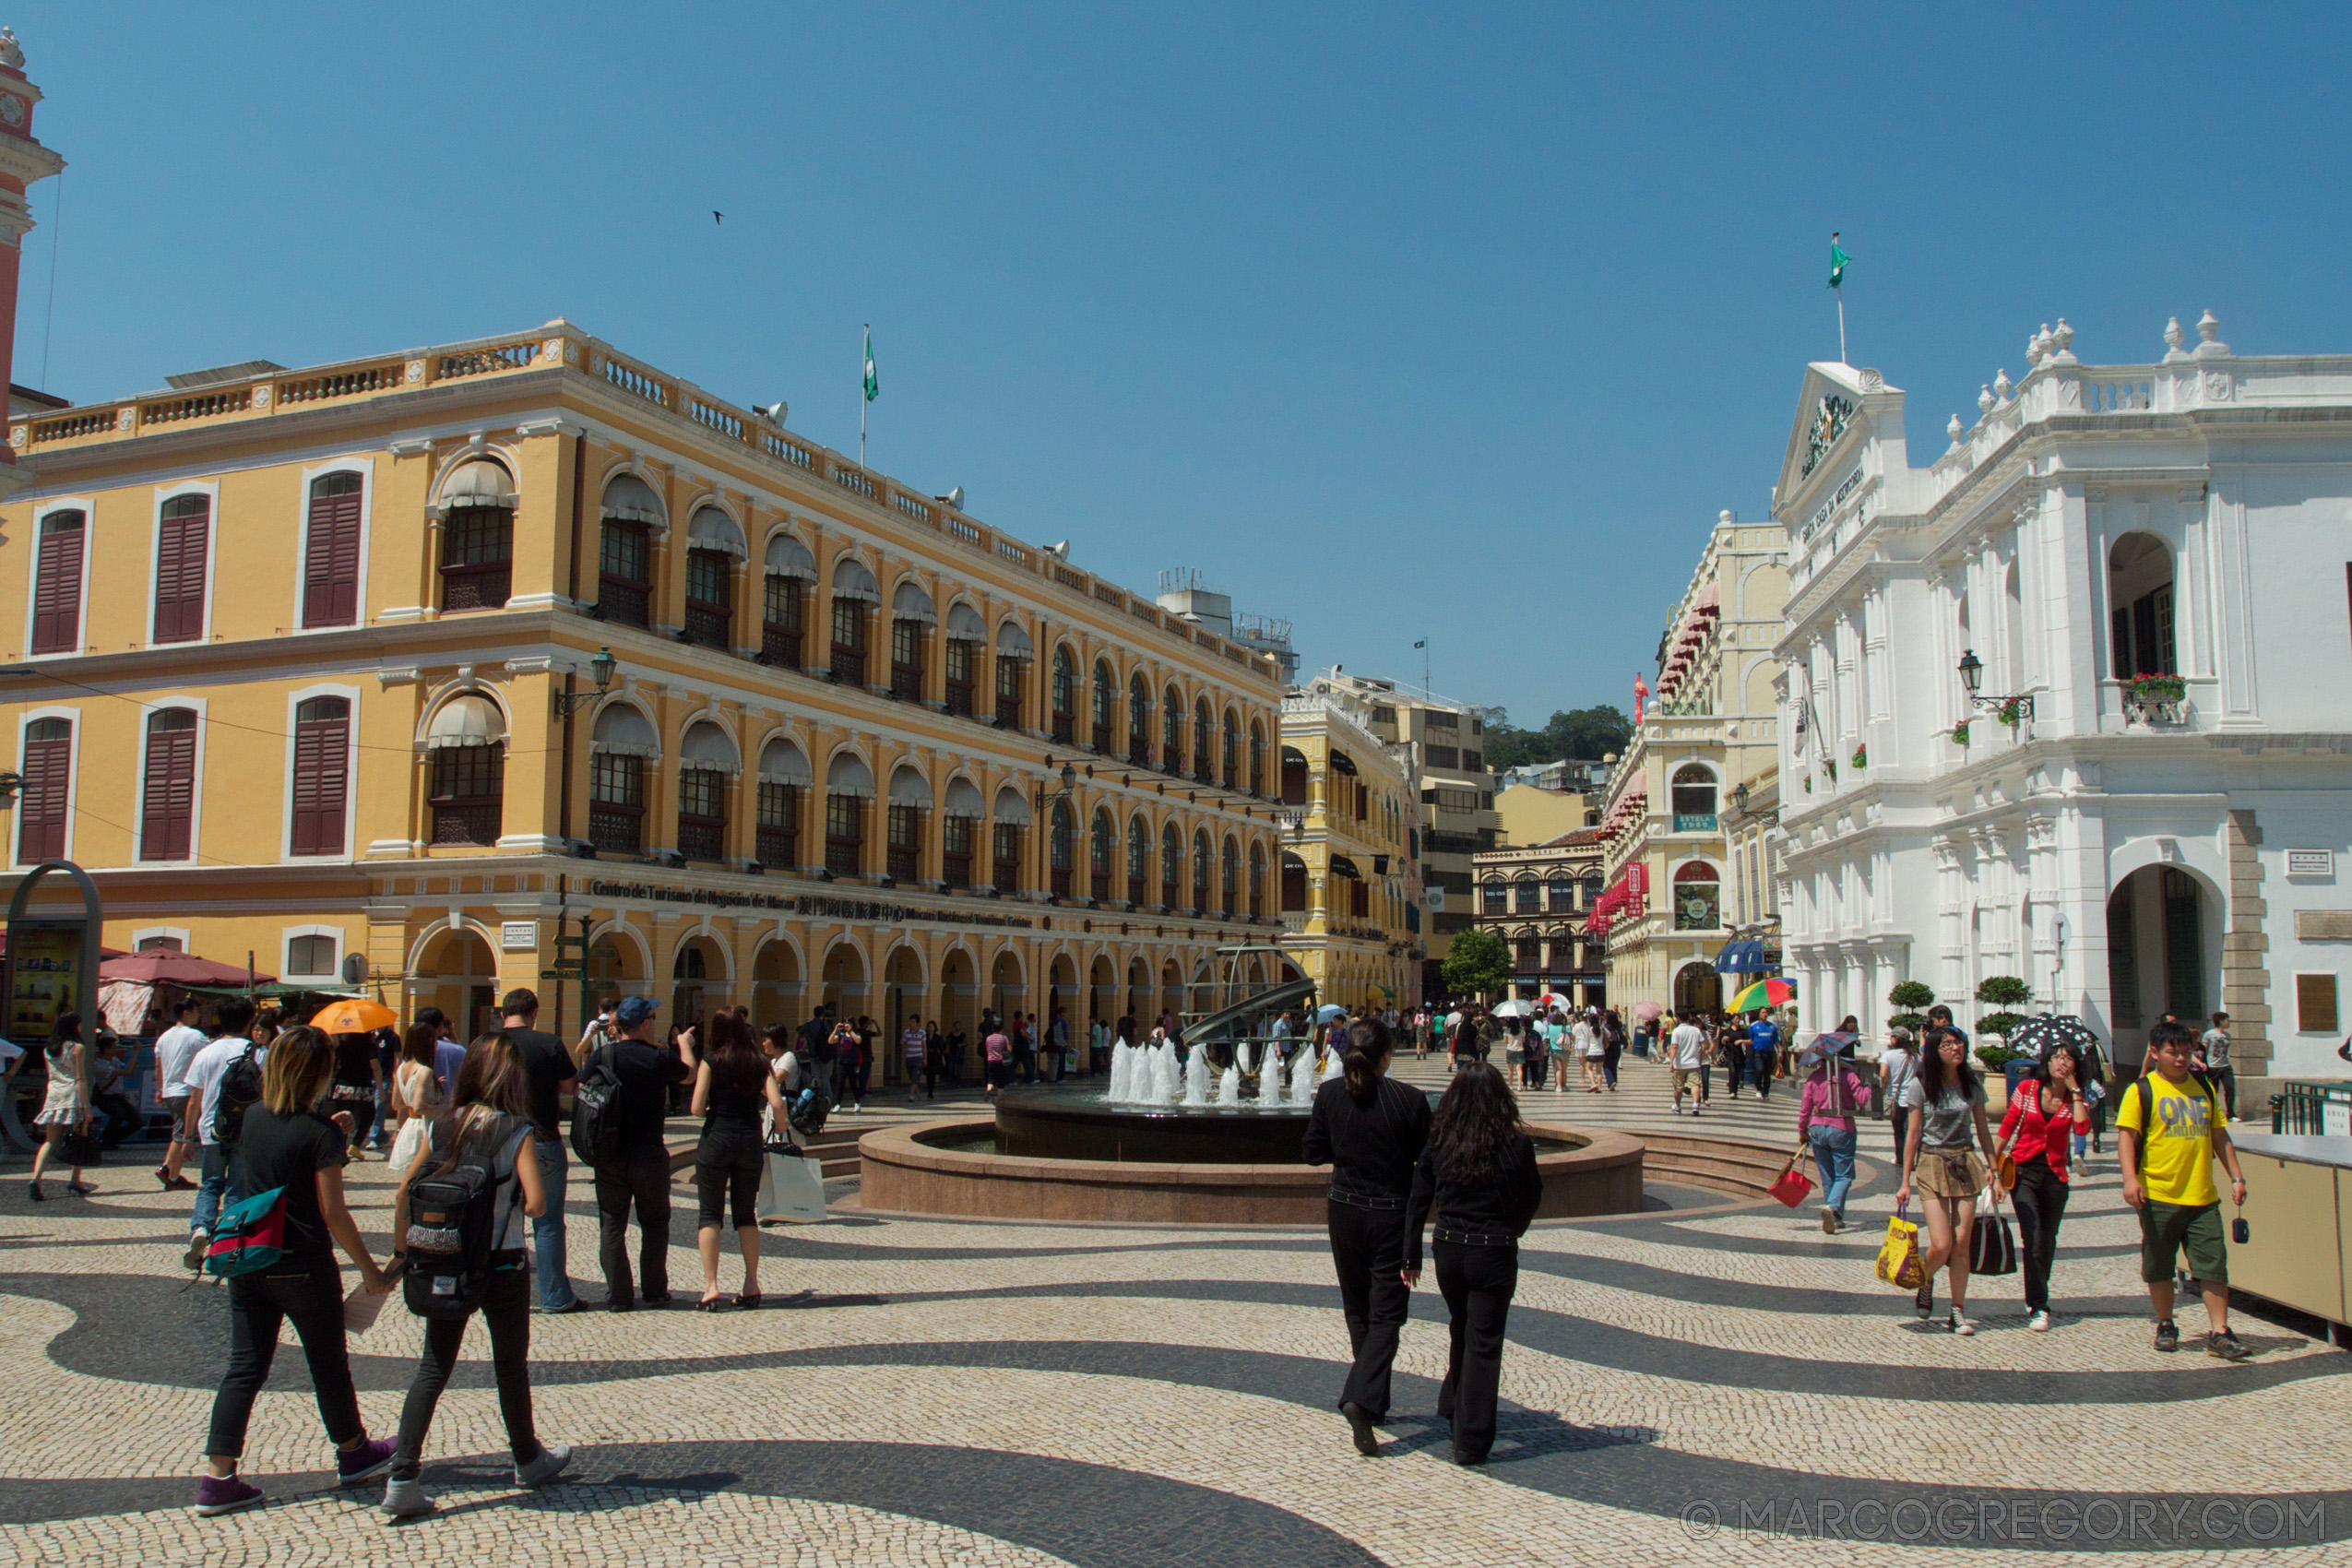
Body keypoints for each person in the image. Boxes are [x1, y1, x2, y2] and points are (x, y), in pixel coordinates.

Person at [193, 1025, 397, 1516]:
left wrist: (331, 1129)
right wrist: (370, 1270)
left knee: (244, 1368)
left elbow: (276, 1161)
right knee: (328, 1364)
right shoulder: (319, 1133)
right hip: (303, 1263)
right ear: (319, 1073)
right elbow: (333, 1212)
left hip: (250, 1256)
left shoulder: (255, 1119)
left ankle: (218, 1479)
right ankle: (353, 1451)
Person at [383, 1032, 572, 1515]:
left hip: (447, 1259)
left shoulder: (442, 1124)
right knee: (510, 1366)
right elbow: (536, 1204)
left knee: (433, 1367)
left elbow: (406, 1190)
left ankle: (402, 1475)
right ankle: (527, 1457)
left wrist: (405, 1252)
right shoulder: (516, 1130)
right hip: (503, 1263)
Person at [1302, 1017, 1431, 1457]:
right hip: (1390, 1216)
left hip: (1343, 1211)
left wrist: (1345, 1144)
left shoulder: (1330, 1093)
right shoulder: (1409, 1101)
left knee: (1358, 1308)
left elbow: (1312, 1152)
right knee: (1388, 1315)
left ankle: (1372, 1404)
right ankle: (1359, 1398)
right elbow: (1424, 1171)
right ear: (1387, 1055)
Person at [1404, 1060, 1543, 1467]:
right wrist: (1510, 1230)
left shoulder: (1440, 1140)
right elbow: (1531, 1196)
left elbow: (1418, 1197)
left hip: (1448, 1247)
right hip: (1492, 1250)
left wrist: (1410, 1253)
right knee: (1484, 1342)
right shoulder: (1515, 1143)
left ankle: (1452, 1405)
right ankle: (1472, 1438)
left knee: (1461, 1326)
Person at [2118, 1019, 2251, 1360]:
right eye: (2172, 1052)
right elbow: (2127, 1138)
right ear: (2155, 1052)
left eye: (2186, 1052)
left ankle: (2219, 1332)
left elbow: (2219, 1136)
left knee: (2212, 1266)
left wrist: (2236, 1176)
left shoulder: (2203, 1086)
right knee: (2159, 1264)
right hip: (2158, 1194)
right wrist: (2131, 1179)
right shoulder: (2141, 1090)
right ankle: (2165, 1322)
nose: (2180, 1059)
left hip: (2202, 1195)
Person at [1894, 1027, 2000, 1334]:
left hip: (1965, 1162)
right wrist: (1904, 1182)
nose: (1957, 1048)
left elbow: (1982, 1131)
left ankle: (1957, 1311)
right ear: (1935, 1051)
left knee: (1962, 1242)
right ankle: (1925, 1280)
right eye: (1949, 1044)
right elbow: (1912, 1135)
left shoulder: (1972, 1085)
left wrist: (1994, 1170)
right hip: (1931, 1163)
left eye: (1960, 1043)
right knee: (1941, 1244)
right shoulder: (1921, 1086)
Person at [592, 996, 689, 1312]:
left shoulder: (604, 1056)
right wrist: (682, 1044)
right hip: (648, 1151)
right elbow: (687, 1075)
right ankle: (654, 1291)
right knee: (655, 1223)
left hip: (609, 1152)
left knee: (611, 1226)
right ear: (645, 1023)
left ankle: (618, 1296)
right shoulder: (658, 1058)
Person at [690, 1012, 789, 1310]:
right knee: (746, 1215)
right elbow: (777, 1103)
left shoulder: (711, 1060)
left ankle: (711, 1287)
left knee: (710, 1214)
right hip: (749, 1141)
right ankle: (751, 1284)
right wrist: (781, 1127)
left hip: (716, 1139)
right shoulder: (759, 1062)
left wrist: (714, 1113)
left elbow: (695, 1107)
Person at [1996, 1040, 2094, 1332]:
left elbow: (2082, 1128)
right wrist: (1992, 1166)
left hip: (2055, 1177)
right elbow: (2008, 1125)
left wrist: (2075, 1090)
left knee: (2047, 1242)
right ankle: (2039, 1306)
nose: (2061, 1063)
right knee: (2034, 1237)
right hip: (2024, 1172)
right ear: (2046, 1063)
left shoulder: (2077, 1098)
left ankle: (2037, 1291)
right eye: (2055, 1058)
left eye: (2067, 1059)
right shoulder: (2027, 1090)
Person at [501, 989, 581, 1316]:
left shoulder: (485, 1044)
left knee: (496, 1220)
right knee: (547, 1223)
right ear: (533, 1012)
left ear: (504, 1012)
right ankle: (554, 1296)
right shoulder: (548, 1042)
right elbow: (568, 1086)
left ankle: (496, 1293)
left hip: (496, 1142)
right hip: (541, 1139)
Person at [182, 998, 262, 1264]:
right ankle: (227, 1241)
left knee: (211, 1184)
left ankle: (201, 1228)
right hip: (246, 1131)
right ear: (250, 1022)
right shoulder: (259, 1053)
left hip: (211, 1130)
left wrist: (187, 1137)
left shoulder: (206, 1053)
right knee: (237, 1189)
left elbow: (194, 1100)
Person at [1796, 1041, 1871, 1232]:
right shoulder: (1849, 1075)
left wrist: (1802, 1131)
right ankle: (1832, 1207)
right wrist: (1868, 1085)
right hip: (1842, 1128)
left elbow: (1805, 1108)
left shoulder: (1814, 1077)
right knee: (1844, 1175)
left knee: (1828, 1176)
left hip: (1818, 1128)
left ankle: (1836, 1218)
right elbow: (1862, 1099)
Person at [27, 1012, 94, 1200]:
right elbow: (80, 1078)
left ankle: (35, 1179)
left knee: (50, 1141)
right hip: (72, 1096)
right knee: (79, 1138)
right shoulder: (77, 1048)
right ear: (74, 1027)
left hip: (54, 1095)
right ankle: (75, 1179)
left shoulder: (49, 1050)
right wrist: (87, 1107)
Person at [154, 996, 208, 1191]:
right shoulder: (194, 1036)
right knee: (181, 1134)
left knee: (177, 1130)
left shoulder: (164, 1037)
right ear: (187, 1012)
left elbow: (158, 1066)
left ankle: (168, 1168)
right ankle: (172, 1174)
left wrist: (160, 1089)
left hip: (169, 1090)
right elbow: (211, 1054)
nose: (199, 1015)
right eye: (196, 1011)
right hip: (185, 1090)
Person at [386, 1022, 446, 1177]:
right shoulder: (424, 1070)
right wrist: (446, 1110)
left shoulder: (402, 1068)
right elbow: (420, 1107)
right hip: (424, 1127)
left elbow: (396, 1103)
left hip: (409, 1126)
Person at [327, 1029, 381, 1162]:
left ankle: (341, 1148)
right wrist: (381, 1088)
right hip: (363, 1085)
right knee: (369, 1114)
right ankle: (355, 1144)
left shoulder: (342, 1045)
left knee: (343, 1118)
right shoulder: (369, 1046)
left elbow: (335, 1064)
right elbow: (375, 1067)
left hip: (343, 1085)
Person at [89, 1031, 144, 1148]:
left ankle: (110, 1140)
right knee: (119, 1114)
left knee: (137, 1122)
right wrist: (135, 1052)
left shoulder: (114, 1060)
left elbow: (131, 1073)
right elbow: (125, 1072)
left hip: (117, 1097)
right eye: (114, 1047)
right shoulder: (100, 1066)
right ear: (106, 1049)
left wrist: (135, 1061)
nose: (116, 1049)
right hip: (106, 1098)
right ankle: (105, 1141)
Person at [1879, 1025, 1918, 1163]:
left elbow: (1883, 1074)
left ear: (1896, 1039)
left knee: (1898, 1131)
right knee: (1911, 1131)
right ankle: (1911, 1159)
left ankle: (1900, 1158)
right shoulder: (1915, 1056)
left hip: (1895, 1097)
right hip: (1913, 1098)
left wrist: (1884, 1085)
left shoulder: (1888, 1055)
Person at [418, 1007, 464, 1100]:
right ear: (440, 1026)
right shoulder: (458, 1051)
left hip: (422, 1109)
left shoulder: (413, 1052)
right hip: (452, 1107)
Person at [1668, 1011, 1707, 1115]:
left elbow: (1674, 1047)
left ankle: (1677, 1106)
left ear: (1678, 1018)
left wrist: (1671, 1062)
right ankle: (1695, 1104)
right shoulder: (1696, 1030)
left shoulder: (1677, 1031)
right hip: (1694, 1063)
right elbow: (1704, 1046)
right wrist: (1700, 1057)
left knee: (1678, 1087)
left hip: (1679, 1064)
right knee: (1695, 1085)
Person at [2201, 1012, 2237, 1122]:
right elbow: (2204, 1049)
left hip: (2225, 1065)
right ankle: (2211, 1113)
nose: (2229, 1022)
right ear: (2221, 1021)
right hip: (2213, 1066)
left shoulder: (2227, 1036)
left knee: (2230, 1088)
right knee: (2213, 1090)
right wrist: (2205, 1064)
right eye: (2227, 1020)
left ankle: (2230, 1113)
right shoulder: (2209, 1034)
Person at [1747, 1011, 1783, 1100]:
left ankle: (1766, 1092)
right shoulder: (1754, 1026)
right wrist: (1746, 1052)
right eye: (1763, 1012)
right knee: (1760, 1070)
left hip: (1769, 1052)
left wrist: (1780, 1051)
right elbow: (1749, 1040)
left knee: (1767, 1073)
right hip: (1758, 1052)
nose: (1765, 1014)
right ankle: (1759, 1089)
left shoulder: (1772, 1026)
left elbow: (1776, 1040)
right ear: (1759, 1014)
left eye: (1766, 1012)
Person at [902, 1017, 930, 1100]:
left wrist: (925, 1058)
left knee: (915, 1076)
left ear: (917, 1023)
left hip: (918, 1057)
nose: (911, 1023)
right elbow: (903, 1042)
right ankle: (917, 1092)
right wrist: (903, 1043)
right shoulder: (906, 1032)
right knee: (913, 1077)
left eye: (913, 1022)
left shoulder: (922, 1032)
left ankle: (911, 1095)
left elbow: (924, 1046)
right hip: (909, 1057)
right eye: (910, 1021)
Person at [982, 1017, 1011, 1097]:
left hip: (991, 1061)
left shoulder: (988, 1038)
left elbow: (988, 1050)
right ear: (1001, 1028)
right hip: (1001, 1061)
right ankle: (1000, 1098)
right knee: (1001, 1080)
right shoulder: (1004, 1038)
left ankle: (988, 1090)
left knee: (991, 1079)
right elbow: (1009, 1049)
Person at [1600, 1010, 1623, 1091]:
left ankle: (1611, 1081)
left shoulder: (1605, 1026)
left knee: (1606, 1065)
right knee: (1614, 1065)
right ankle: (1613, 1081)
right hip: (1617, 1045)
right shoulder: (1618, 1025)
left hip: (1609, 1045)